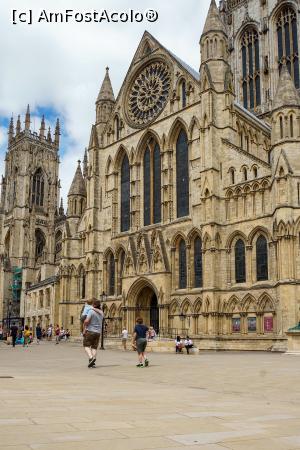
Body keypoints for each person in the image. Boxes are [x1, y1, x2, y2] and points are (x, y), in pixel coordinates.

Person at [83, 298, 103, 368]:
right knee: (94, 347)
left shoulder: (91, 311)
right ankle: (93, 362)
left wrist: (85, 323)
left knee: (86, 346)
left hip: (90, 331)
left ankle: (91, 357)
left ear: (93, 305)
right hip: (98, 332)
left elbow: (87, 321)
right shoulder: (101, 312)